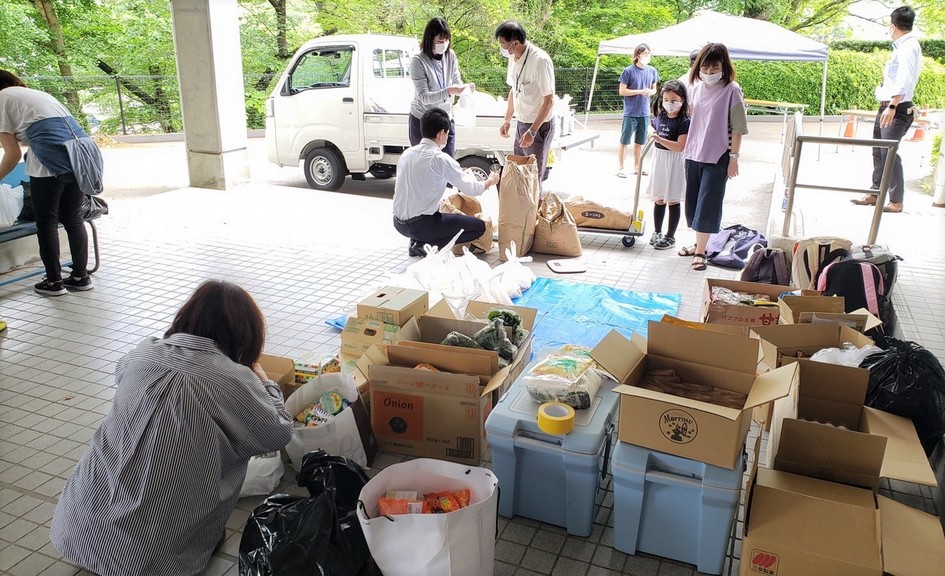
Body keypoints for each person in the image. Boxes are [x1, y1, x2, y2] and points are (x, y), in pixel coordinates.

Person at [50, 280, 294, 576]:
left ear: (187, 316)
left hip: (75, 527)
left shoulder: (145, 351)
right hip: (146, 560)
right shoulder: (235, 379)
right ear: (245, 334)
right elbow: (278, 433)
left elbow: (121, 373)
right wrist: (264, 380)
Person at [0, 70, 99, 296]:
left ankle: (54, 282)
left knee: (46, 223)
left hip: (48, 162)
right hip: (78, 157)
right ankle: (80, 277)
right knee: (73, 218)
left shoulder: (2, 98)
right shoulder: (35, 95)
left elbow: (12, 154)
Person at [678, 43, 748, 271]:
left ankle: (700, 252)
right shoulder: (695, 87)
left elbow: (738, 128)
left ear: (723, 66)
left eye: (714, 68)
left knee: (708, 205)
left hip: (718, 157)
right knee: (693, 205)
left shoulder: (732, 90)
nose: (708, 73)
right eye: (705, 69)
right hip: (693, 153)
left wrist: (734, 158)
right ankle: (700, 244)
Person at [393, 108, 499, 256]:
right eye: (447, 134)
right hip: (422, 225)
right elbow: (472, 189)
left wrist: (455, 171)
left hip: (399, 223)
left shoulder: (407, 153)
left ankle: (416, 241)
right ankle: (425, 246)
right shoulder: (440, 158)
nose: (447, 138)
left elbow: (422, 179)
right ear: (441, 133)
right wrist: (490, 181)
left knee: (436, 215)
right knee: (479, 227)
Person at [851, 6, 922, 213]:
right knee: (879, 152)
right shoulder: (901, 46)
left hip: (896, 107)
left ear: (893, 26)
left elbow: (904, 79)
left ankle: (896, 201)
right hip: (888, 106)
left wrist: (892, 105)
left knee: (889, 154)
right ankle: (874, 193)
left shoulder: (908, 46)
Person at [495, 20, 556, 193]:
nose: (502, 48)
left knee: (533, 178)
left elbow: (549, 100)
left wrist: (532, 131)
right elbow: (514, 90)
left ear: (515, 42)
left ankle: (533, 218)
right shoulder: (513, 58)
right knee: (519, 172)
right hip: (522, 123)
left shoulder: (540, 61)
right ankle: (520, 216)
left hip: (539, 125)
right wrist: (507, 119)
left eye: (503, 44)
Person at [409, 17, 471, 157]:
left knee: (447, 161)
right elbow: (424, 97)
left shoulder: (450, 55)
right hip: (423, 121)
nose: (444, 44)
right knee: (425, 164)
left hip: (445, 118)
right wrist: (449, 91)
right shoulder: (418, 61)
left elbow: (456, 79)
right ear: (430, 40)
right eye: (440, 42)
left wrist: (464, 88)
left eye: (447, 40)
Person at [646, 80, 690, 251]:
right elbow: (652, 125)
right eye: (666, 99)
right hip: (660, 160)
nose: (669, 104)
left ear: (682, 100)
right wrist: (652, 133)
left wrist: (659, 139)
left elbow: (680, 146)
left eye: (673, 100)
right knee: (659, 197)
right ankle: (657, 231)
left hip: (675, 162)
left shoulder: (684, 122)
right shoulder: (661, 116)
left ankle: (670, 236)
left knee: (672, 199)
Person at [617, 44, 659, 178]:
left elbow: (654, 89)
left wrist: (650, 92)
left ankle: (637, 167)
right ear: (637, 55)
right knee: (624, 141)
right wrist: (639, 91)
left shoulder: (652, 70)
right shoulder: (628, 71)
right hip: (630, 112)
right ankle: (621, 168)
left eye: (648, 53)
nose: (647, 56)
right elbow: (622, 91)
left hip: (644, 112)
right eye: (644, 53)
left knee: (640, 142)